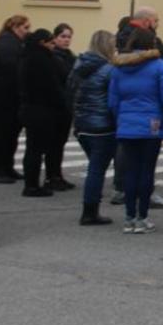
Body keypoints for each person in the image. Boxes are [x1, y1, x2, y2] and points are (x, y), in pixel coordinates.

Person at [108, 28, 163, 234]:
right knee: (146, 170)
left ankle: (129, 217)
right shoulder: (159, 66)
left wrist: (120, 119)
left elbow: (113, 102)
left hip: (127, 124)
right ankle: (142, 217)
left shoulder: (118, 68)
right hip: (152, 123)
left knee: (130, 171)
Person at [70, 30, 117, 225]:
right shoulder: (109, 70)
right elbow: (114, 99)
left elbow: (70, 90)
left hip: (82, 123)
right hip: (102, 125)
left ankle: (91, 207)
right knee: (97, 170)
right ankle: (90, 211)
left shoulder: (79, 65)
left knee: (95, 167)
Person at [19, 29, 68, 197]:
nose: (53, 46)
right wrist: (63, 103)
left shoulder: (27, 57)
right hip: (42, 109)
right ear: (42, 43)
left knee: (33, 148)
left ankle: (31, 183)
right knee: (36, 148)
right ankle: (32, 185)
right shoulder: (42, 60)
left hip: (31, 108)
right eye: (51, 42)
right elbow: (53, 86)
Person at [0, 15, 29, 183]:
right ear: (15, 27)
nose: (27, 31)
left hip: (6, 92)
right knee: (2, 132)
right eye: (25, 27)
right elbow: (11, 67)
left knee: (11, 132)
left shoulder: (11, 42)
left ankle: (7, 166)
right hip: (1, 93)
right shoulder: (7, 42)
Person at [49, 23, 77, 190]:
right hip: (57, 104)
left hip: (67, 104)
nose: (66, 40)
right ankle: (52, 175)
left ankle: (57, 174)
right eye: (63, 36)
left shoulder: (69, 56)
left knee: (61, 142)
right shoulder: (54, 56)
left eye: (68, 37)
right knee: (54, 143)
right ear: (55, 38)